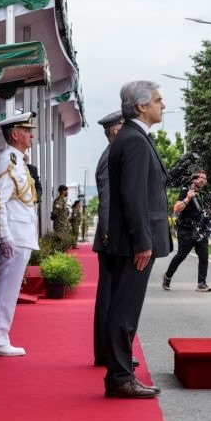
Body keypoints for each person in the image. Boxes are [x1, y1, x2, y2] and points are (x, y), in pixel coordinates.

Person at [103, 80, 172, 398]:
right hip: (134, 244)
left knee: (125, 308)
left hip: (133, 241)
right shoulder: (133, 140)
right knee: (124, 310)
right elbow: (133, 197)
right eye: (158, 100)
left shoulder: (134, 137)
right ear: (141, 106)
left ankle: (121, 372)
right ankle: (119, 376)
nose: (163, 105)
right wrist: (143, 241)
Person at [0, 112, 39, 357]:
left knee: (10, 287)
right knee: (6, 287)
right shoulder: (8, 160)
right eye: (27, 130)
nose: (31, 134)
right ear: (15, 134)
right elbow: (0, 202)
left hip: (22, 232)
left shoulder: (17, 160)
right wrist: (4, 235)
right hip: (14, 234)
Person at [91, 110, 126, 368]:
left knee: (114, 296)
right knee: (108, 297)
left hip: (113, 235)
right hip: (111, 237)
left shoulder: (116, 154)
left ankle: (109, 351)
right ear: (115, 131)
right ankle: (105, 352)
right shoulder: (110, 156)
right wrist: (107, 232)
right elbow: (107, 199)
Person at [162, 169, 211, 292]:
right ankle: (167, 276)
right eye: (200, 177)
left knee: (204, 256)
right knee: (181, 256)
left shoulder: (203, 194)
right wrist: (188, 199)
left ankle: (201, 283)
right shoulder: (185, 191)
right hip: (186, 230)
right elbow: (176, 209)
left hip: (200, 230)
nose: (202, 180)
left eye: (205, 179)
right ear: (194, 179)